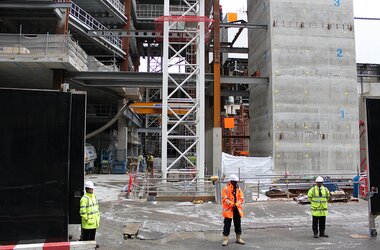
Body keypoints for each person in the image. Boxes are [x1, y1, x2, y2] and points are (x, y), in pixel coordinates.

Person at [221, 174, 245, 246]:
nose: (236, 183)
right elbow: (225, 199)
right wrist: (232, 204)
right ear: (231, 181)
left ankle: (238, 238)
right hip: (229, 209)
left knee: (238, 224)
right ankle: (225, 239)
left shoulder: (238, 188)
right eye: (234, 181)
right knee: (227, 224)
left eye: (236, 181)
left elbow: (241, 198)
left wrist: (236, 204)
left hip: (237, 209)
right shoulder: (226, 189)